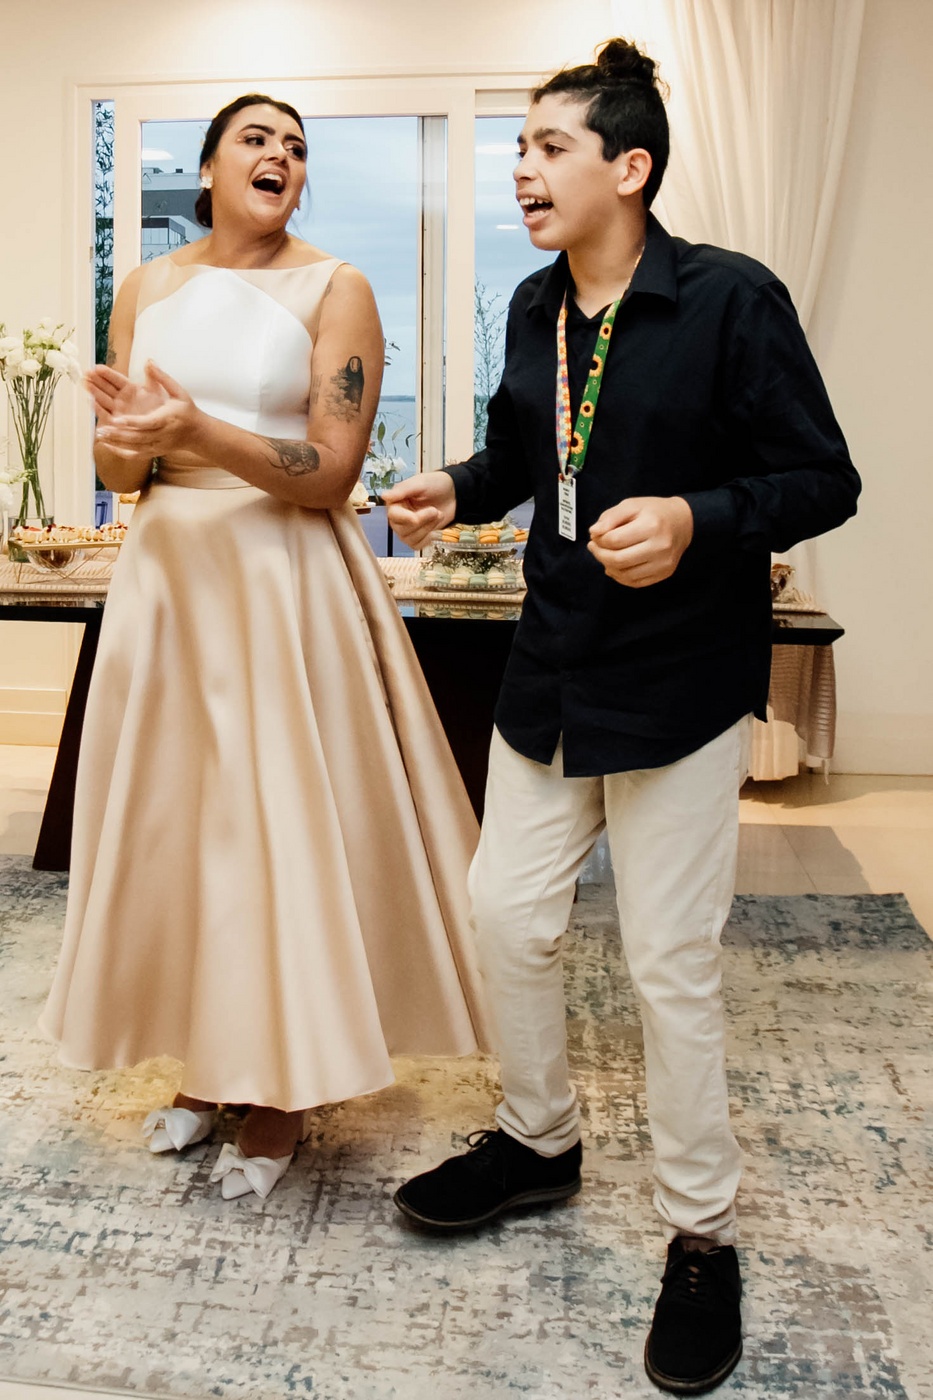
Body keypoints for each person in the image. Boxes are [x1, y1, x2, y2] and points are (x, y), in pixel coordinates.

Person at [384, 39, 860, 1396]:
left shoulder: (731, 299)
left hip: (681, 684)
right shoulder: (535, 302)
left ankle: (702, 1235)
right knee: (505, 914)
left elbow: (823, 479)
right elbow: (526, 455)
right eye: (519, 150)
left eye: (548, 148)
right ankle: (539, 1140)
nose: (521, 170)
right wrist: (458, 488)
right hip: (552, 670)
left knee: (668, 963)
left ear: (630, 167)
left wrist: (701, 519)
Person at [40, 94, 489, 1203]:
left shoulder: (337, 288)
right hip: (166, 583)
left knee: (274, 828)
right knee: (181, 828)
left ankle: (283, 1085)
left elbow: (332, 472)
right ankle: (206, 1065)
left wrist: (195, 428)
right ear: (207, 167)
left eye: (296, 146)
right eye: (256, 138)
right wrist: (126, 437)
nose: (280, 155)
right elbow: (124, 471)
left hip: (281, 580)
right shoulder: (145, 288)